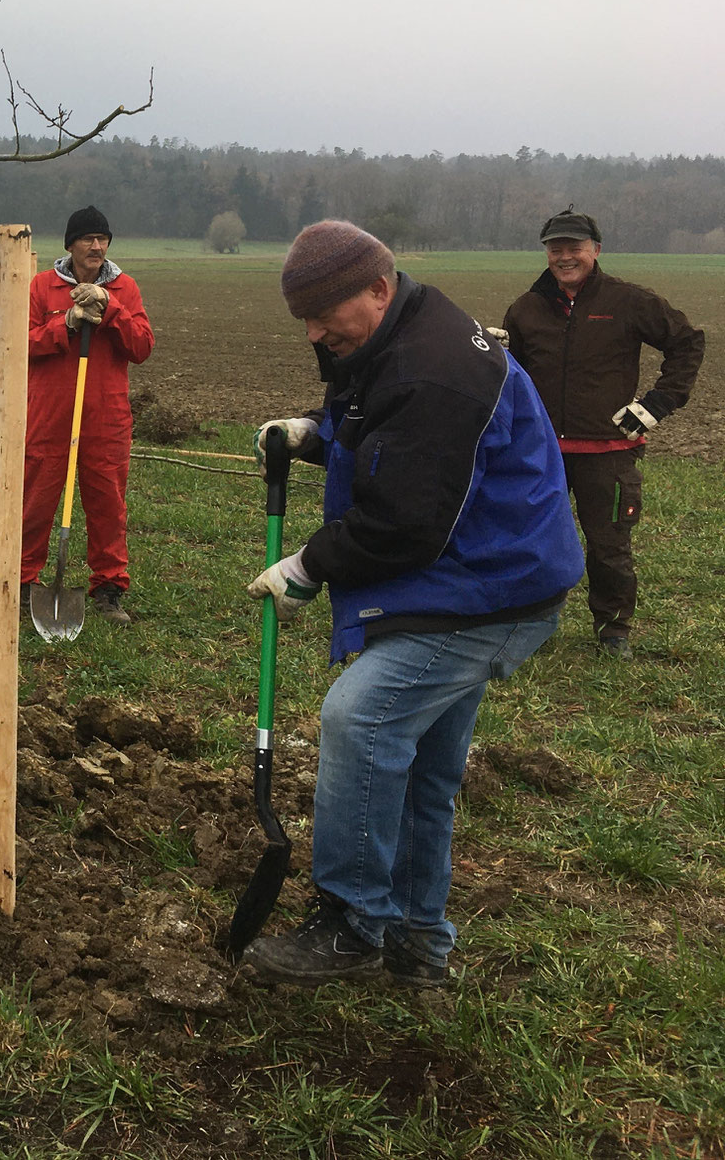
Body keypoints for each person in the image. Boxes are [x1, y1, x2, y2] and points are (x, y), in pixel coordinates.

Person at [242, 221, 582, 986]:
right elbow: (379, 420)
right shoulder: (389, 337)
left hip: (490, 589)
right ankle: (419, 945)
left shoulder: (434, 370)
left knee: (359, 720)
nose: (314, 331)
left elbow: (404, 520)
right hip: (470, 574)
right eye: (303, 315)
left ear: (378, 288)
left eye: (325, 312)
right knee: (423, 767)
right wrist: (318, 432)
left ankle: (355, 922)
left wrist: (307, 566)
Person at [501, 208, 704, 658]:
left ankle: (613, 631)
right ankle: (531, 624)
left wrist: (657, 404)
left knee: (609, 546)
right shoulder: (525, 308)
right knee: (532, 541)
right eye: (556, 248)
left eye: (575, 247)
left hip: (609, 451)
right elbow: (512, 373)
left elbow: (688, 341)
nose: (565, 256)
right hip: (542, 452)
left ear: (595, 250)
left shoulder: (628, 301)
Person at [20, 205, 154, 624]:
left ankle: (109, 588)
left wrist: (110, 308)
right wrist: (67, 324)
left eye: (102, 239)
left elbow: (142, 347)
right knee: (37, 497)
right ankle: (25, 581)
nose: (96, 246)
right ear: (70, 245)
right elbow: (20, 343)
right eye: (87, 239)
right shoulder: (42, 287)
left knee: (107, 502)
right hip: (50, 412)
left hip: (106, 416)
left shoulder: (125, 288)